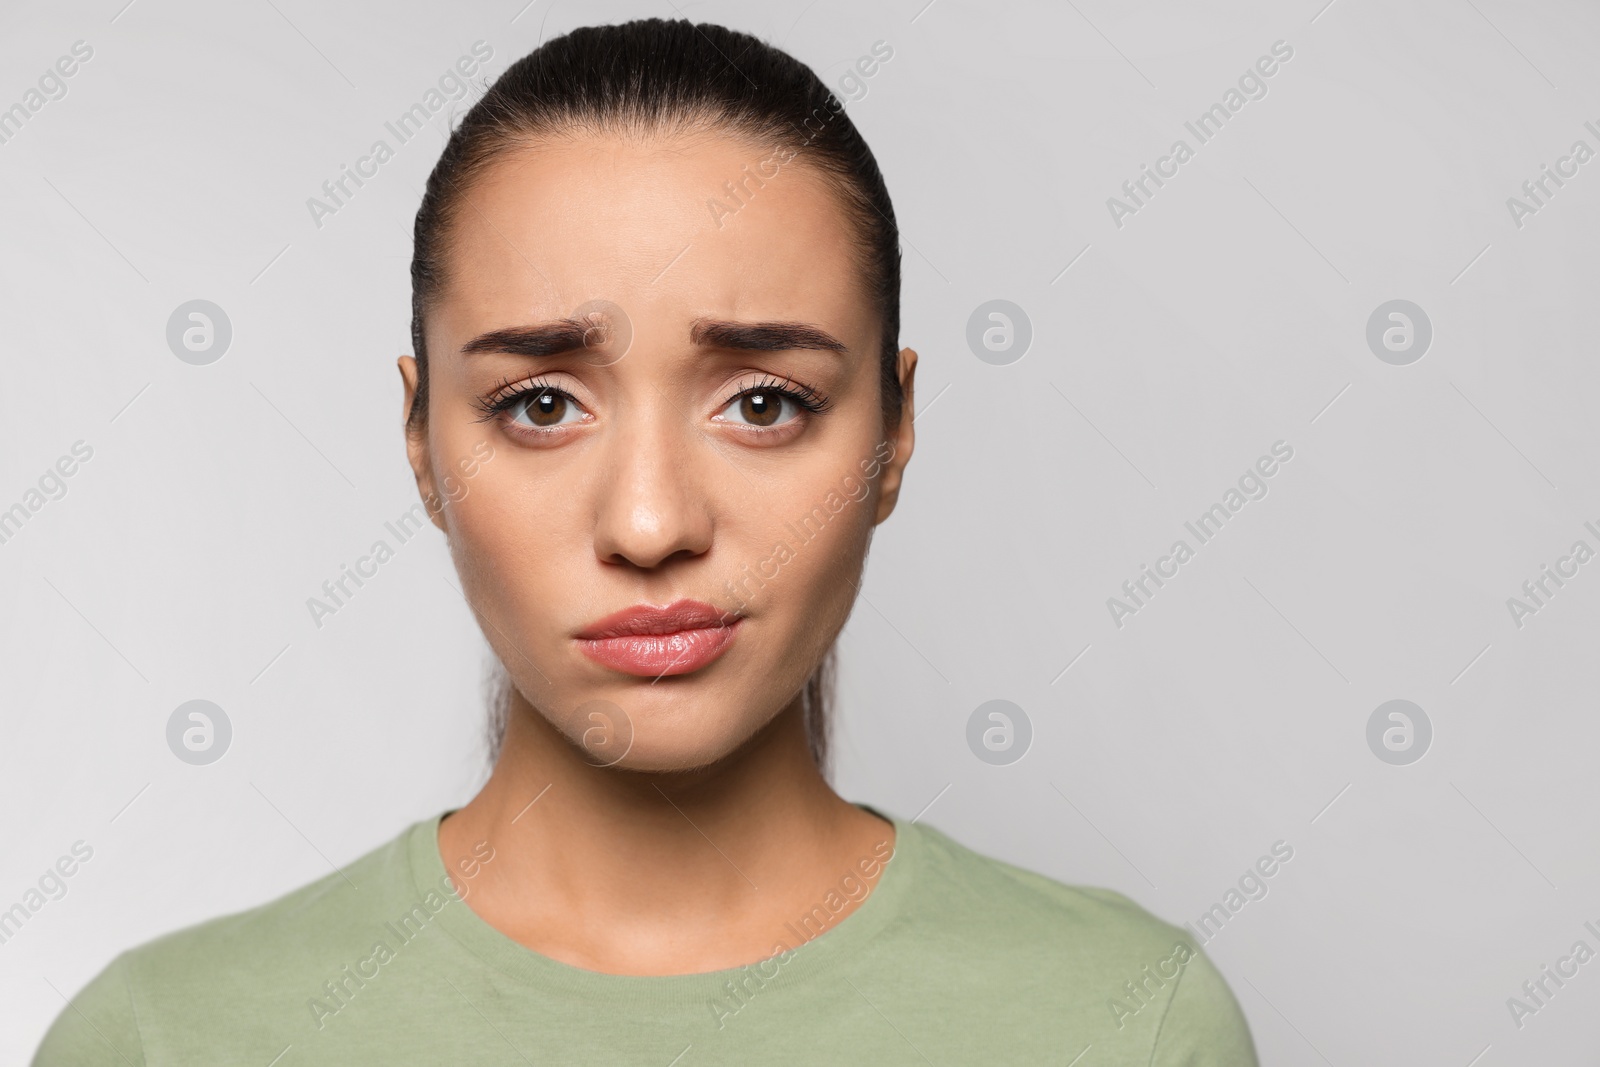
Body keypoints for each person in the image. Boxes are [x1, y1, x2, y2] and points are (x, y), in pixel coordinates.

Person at [35, 18, 1257, 1064]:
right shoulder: (169, 1039)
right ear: (420, 443)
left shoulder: (1121, 1023)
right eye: (542, 404)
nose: (650, 524)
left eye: (764, 402)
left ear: (893, 433)